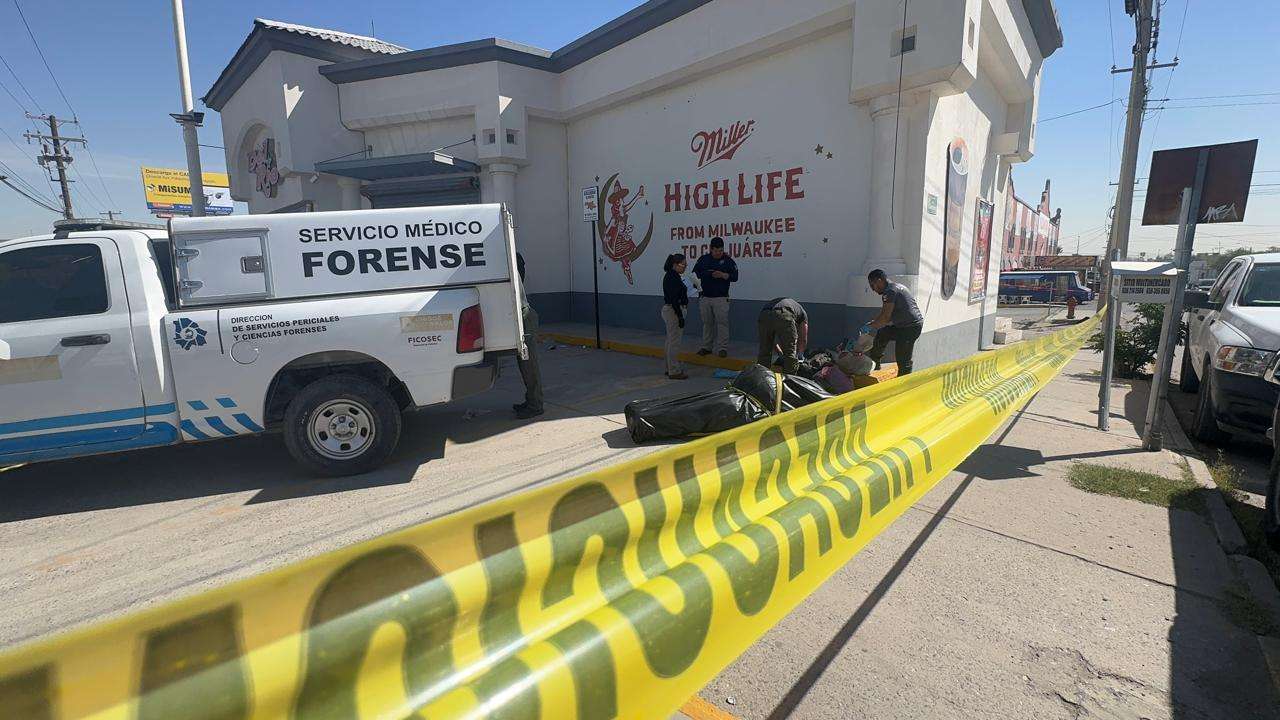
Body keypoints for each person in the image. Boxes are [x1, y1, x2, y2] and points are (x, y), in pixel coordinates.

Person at [865, 268, 924, 375]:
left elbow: (885, 318)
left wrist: (869, 326)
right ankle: (875, 365)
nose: (873, 289)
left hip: (910, 328)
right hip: (904, 326)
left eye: (872, 285)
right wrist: (874, 323)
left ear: (879, 281)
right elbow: (886, 316)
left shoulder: (890, 291)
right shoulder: (896, 287)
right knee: (883, 333)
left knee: (903, 359)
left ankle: (904, 381)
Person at [693, 237, 738, 358]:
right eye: (716, 251)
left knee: (722, 323)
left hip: (721, 298)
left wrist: (724, 275)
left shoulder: (728, 261)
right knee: (707, 323)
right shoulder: (703, 260)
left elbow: (735, 277)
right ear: (711, 249)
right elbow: (695, 274)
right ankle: (707, 347)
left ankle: (722, 348)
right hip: (705, 297)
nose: (718, 253)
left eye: (721, 250)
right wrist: (709, 273)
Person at [513, 252, 544, 419]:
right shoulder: (511, 256)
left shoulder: (511, 256)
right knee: (524, 364)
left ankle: (535, 404)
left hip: (524, 315)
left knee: (529, 365)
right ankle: (531, 399)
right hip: (521, 314)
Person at [757, 297, 808, 374]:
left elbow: (771, 340)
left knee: (764, 351)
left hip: (764, 314)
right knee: (790, 353)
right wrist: (800, 355)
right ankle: (789, 378)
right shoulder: (803, 315)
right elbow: (803, 338)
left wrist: (780, 353)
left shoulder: (793, 307)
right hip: (784, 313)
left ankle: (761, 376)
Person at [661, 253, 690, 380]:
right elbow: (674, 299)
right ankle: (674, 370)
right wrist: (680, 316)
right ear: (675, 264)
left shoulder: (673, 276)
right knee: (674, 342)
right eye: (683, 265)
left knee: (670, 340)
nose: (685, 267)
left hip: (672, 310)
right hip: (673, 311)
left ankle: (669, 368)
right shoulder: (672, 277)